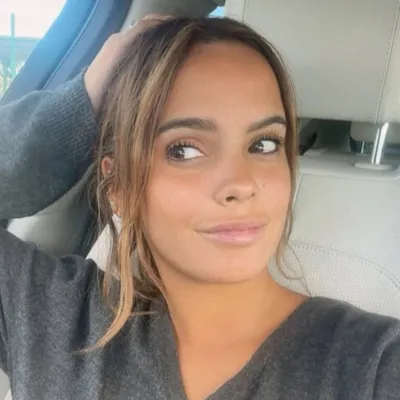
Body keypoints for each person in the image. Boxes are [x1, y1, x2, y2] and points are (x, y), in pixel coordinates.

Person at [0, 15, 399, 400]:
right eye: (184, 150)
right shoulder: (50, 317)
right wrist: (88, 92)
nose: (241, 184)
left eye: (264, 144)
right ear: (117, 184)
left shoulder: (375, 366)